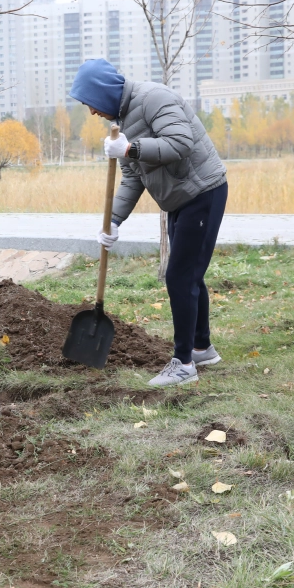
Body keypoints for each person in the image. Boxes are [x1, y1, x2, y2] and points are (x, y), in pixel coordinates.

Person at [69, 58, 228, 387]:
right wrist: (113, 220)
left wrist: (130, 148)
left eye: (92, 104)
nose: (93, 113)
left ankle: (183, 364)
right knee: (189, 275)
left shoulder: (154, 98)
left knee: (180, 276)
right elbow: (131, 179)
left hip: (203, 192)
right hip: (180, 201)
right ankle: (201, 348)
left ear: (105, 93)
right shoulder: (123, 119)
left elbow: (180, 144)